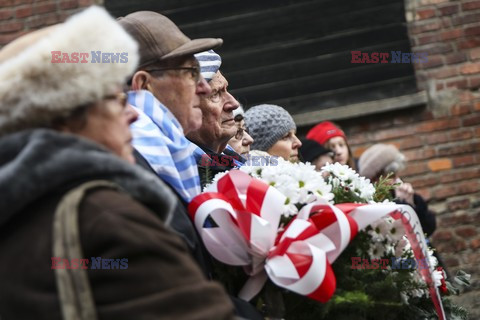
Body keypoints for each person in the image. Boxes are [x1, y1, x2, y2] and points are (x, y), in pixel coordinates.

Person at [0, 6, 235, 320]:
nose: (134, 112)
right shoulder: (107, 214)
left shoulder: (27, 213)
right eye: (114, 98)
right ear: (65, 120)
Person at [119, 14, 262, 319]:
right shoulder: (137, 168)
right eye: (189, 73)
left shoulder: (167, 156)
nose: (202, 88)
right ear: (143, 84)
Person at [187, 50, 244, 186]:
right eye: (215, 94)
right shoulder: (190, 177)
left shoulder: (231, 158)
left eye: (226, 90)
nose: (234, 104)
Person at [358, 143, 436, 237]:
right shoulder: (370, 205)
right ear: (375, 179)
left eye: (396, 175)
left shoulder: (402, 193)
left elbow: (428, 228)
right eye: (391, 176)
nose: (397, 181)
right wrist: (401, 205)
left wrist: (411, 204)